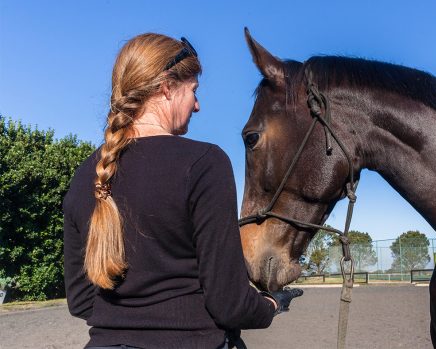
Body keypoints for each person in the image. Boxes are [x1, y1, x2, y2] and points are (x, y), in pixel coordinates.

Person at [63, 33, 302, 349]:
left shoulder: (85, 177)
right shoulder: (204, 163)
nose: (198, 105)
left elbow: (80, 301)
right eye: (194, 91)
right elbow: (230, 304)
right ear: (166, 87)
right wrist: (271, 305)